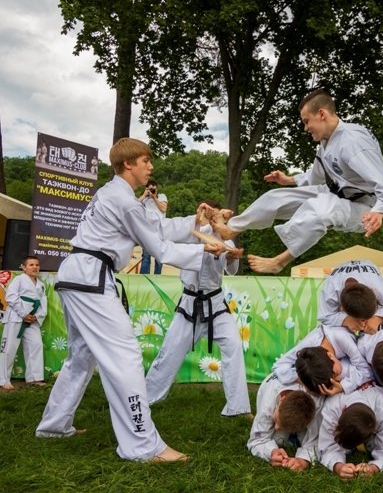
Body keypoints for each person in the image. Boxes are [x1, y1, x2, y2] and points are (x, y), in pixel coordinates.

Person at [35, 137, 222, 463]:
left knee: (80, 357)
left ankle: (53, 426)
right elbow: (159, 248)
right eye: (145, 160)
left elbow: (156, 227)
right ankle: (143, 445)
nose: (150, 166)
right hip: (90, 277)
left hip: (79, 275)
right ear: (128, 164)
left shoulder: (117, 196)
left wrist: (196, 223)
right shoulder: (122, 200)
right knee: (125, 356)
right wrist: (204, 248)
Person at [211, 88, 383, 273]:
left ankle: (279, 262)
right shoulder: (327, 142)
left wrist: (380, 211)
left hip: (364, 207)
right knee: (275, 198)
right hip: (335, 192)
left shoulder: (353, 142)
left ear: (322, 114)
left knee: (320, 207)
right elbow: (316, 177)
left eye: (306, 121)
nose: (305, 128)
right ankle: (232, 229)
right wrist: (288, 180)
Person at [145, 203, 251, 417]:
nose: (211, 215)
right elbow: (172, 248)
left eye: (215, 213)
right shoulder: (188, 235)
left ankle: (238, 408)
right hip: (190, 305)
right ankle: (146, 399)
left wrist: (230, 256)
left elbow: (229, 266)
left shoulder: (225, 239)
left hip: (216, 304)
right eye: (207, 211)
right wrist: (199, 230)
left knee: (233, 347)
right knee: (169, 353)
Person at [317, 384, 383, 478]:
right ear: (343, 410)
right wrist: (338, 467)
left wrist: (373, 468)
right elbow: (327, 447)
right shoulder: (332, 407)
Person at [247, 372, 322, 472]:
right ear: (282, 399)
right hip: (272, 391)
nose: (276, 427)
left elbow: (317, 441)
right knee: (278, 438)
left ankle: (293, 436)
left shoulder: (317, 405)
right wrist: (272, 452)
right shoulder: (267, 404)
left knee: (312, 437)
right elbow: (256, 441)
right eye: (277, 420)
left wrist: (303, 461)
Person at [272, 324, 372, 396]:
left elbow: (367, 371)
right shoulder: (307, 350)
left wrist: (342, 387)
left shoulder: (342, 339)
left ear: (330, 356)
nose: (337, 379)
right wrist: (305, 378)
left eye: (336, 374)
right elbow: (278, 366)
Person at [0, 256, 47, 390]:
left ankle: (34, 378)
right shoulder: (18, 280)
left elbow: (43, 302)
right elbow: (11, 297)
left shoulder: (41, 284)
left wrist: (38, 315)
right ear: (24, 267)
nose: (35, 267)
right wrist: (24, 313)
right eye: (31, 265)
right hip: (16, 317)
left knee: (36, 345)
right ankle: (3, 380)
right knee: (9, 348)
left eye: (37, 265)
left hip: (32, 319)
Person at [317, 260, 383, 328]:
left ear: (374, 293)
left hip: (367, 266)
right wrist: (346, 320)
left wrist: (378, 319)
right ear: (342, 308)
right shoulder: (330, 289)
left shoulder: (377, 286)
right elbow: (325, 316)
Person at [139, 179, 168, 274]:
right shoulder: (145, 200)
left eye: (153, 188)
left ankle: (157, 278)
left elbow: (163, 209)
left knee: (159, 257)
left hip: (160, 229)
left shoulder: (161, 196)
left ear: (157, 188)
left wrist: (154, 198)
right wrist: (144, 195)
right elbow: (133, 206)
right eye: (149, 188)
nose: (151, 190)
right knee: (146, 257)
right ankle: (143, 279)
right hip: (148, 229)